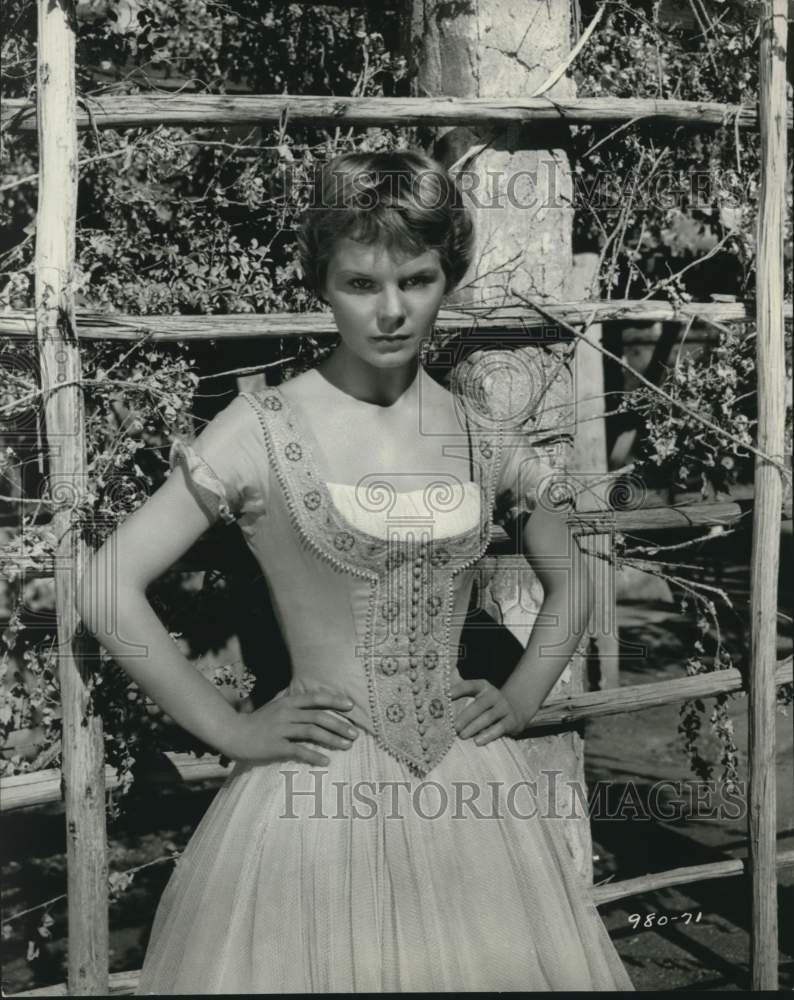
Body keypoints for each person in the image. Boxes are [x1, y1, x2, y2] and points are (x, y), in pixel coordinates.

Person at [76, 149, 634, 992]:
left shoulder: (476, 434)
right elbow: (104, 587)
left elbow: (575, 578)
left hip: (471, 804)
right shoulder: (259, 427)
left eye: (416, 278)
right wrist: (229, 729)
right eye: (360, 284)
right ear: (320, 283)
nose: (391, 311)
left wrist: (520, 697)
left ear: (449, 276)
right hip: (310, 803)